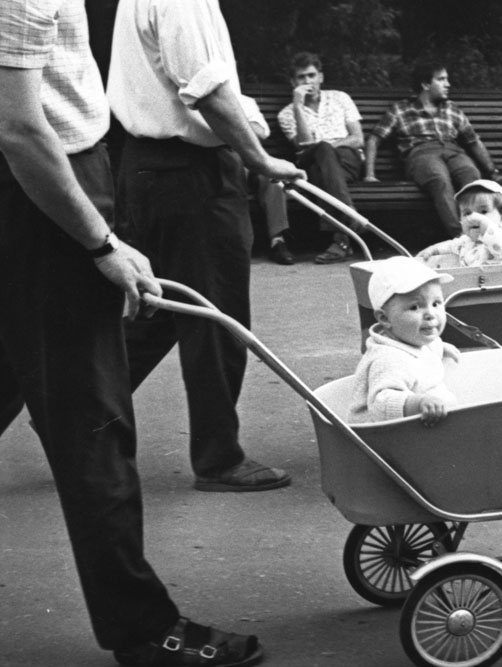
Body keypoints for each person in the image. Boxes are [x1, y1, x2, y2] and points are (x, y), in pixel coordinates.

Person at [0, 2, 263, 665]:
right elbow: (20, 127)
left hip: (54, 179)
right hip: (44, 192)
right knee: (93, 419)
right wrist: (99, 243)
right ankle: (142, 628)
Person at [108, 0, 304, 493]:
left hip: (148, 165)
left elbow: (207, 83)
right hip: (190, 173)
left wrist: (249, 125)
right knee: (217, 314)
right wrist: (259, 159)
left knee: (161, 307)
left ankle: (75, 411)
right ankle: (219, 458)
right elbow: (206, 90)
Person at [365, 62, 502, 238]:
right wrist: (370, 174)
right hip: (420, 153)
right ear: (425, 85)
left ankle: (486, 234)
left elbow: (473, 141)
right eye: (441, 79)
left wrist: (492, 171)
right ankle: (461, 237)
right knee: (440, 180)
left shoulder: (451, 108)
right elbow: (374, 139)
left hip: (453, 151)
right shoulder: (400, 109)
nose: (448, 84)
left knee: (472, 177)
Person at [348, 257, 460, 425]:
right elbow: (382, 404)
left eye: (436, 303)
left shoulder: (414, 339)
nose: (431, 314)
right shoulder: (389, 359)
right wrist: (419, 403)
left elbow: (425, 350)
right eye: (415, 307)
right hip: (388, 436)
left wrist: (441, 347)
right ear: (385, 318)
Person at [277, 52, 364, 264]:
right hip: (311, 160)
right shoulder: (287, 114)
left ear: (321, 77)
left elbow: (357, 138)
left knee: (321, 163)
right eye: (301, 77)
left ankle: (342, 236)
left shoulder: (340, 98)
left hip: (346, 160)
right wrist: (298, 106)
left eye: (312, 75)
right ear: (293, 82)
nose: (308, 81)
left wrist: (329, 148)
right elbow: (304, 145)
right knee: (319, 158)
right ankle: (347, 224)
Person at [416, 179, 502, 268]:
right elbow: (450, 245)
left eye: (483, 211)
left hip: (500, 287)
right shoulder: (465, 242)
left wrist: (486, 228)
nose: (473, 218)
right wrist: (433, 250)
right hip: (472, 288)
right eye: (467, 213)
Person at [242, 95, 295, 265]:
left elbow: (262, 132)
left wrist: (232, 121)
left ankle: (277, 241)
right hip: (223, 159)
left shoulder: (246, 101)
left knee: (273, 180)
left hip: (250, 157)